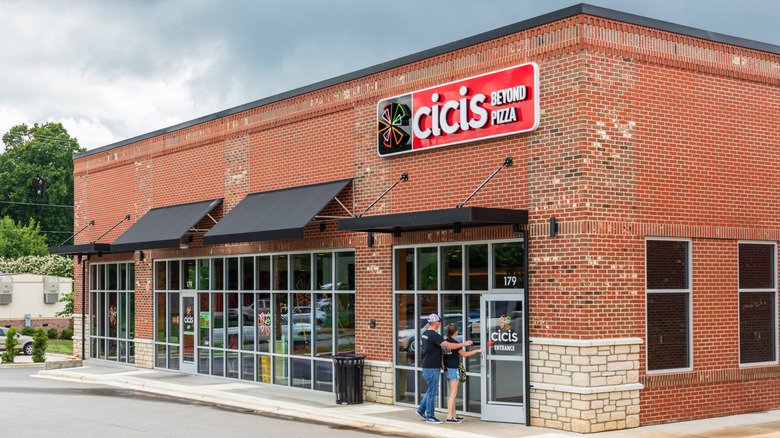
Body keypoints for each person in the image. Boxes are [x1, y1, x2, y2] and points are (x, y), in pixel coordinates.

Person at [416, 313, 473, 424]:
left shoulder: (425, 333)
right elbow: (448, 345)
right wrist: (464, 343)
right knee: (432, 393)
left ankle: (421, 410)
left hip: (427, 366)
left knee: (430, 390)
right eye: (439, 322)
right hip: (432, 368)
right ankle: (430, 416)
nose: (440, 324)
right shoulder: (433, 335)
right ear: (436, 323)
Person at [442, 323, 482, 423]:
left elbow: (441, 355)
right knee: (453, 394)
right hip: (453, 369)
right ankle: (449, 417)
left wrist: (443, 365)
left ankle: (454, 415)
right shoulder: (455, 343)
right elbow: (464, 354)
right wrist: (477, 351)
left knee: (452, 393)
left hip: (447, 369)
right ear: (456, 332)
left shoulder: (445, 343)